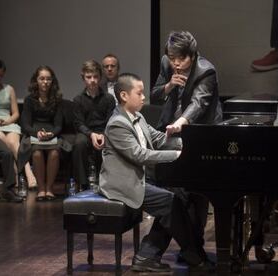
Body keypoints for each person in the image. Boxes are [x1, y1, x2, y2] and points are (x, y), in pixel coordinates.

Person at [99, 73, 214, 273]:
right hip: (123, 184)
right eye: (140, 93)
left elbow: (158, 138)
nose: (144, 97)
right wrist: (177, 155)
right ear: (124, 95)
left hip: (142, 178)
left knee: (180, 195)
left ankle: (150, 254)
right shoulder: (117, 123)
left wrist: (189, 143)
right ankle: (191, 254)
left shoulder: (138, 116)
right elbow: (140, 155)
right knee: (171, 202)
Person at [150, 30, 223, 261]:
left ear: (192, 54)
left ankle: (192, 246)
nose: (176, 63)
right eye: (172, 58)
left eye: (181, 59)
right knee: (178, 192)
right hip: (172, 134)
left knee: (197, 192)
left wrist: (181, 122)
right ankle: (190, 248)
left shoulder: (206, 70)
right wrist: (169, 85)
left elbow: (199, 103)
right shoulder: (167, 63)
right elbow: (154, 96)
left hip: (201, 133)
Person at [0, 59, 37, 190]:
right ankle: (18, 176)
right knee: (6, 145)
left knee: (14, 144)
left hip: (9, 122)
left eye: (1, 75)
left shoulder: (9, 89)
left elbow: (16, 113)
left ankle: (28, 175)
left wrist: (7, 121)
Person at [18, 65, 70, 201]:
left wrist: (51, 134)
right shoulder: (29, 100)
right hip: (34, 133)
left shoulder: (57, 100)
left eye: (48, 79)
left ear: (52, 81)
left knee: (54, 153)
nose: (45, 82)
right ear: (36, 80)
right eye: (42, 79)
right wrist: (37, 134)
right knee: (36, 153)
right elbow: (26, 125)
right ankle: (41, 189)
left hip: (52, 134)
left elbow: (59, 125)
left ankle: (49, 189)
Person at [72, 60, 115, 190]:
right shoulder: (78, 99)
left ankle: (105, 182)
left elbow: (111, 120)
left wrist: (102, 134)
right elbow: (78, 123)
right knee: (79, 143)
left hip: (104, 131)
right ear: (83, 78)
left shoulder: (108, 98)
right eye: (88, 77)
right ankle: (83, 184)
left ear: (100, 77)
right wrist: (91, 134)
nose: (92, 80)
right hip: (86, 132)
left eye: (95, 77)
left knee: (107, 142)